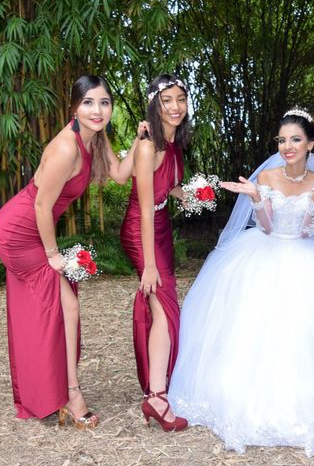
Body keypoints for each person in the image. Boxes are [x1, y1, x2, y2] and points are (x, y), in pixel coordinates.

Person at [168, 108, 314, 457]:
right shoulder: (266, 176)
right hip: (266, 251)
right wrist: (255, 197)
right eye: (282, 140)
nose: (287, 146)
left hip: (310, 255)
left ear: (310, 143)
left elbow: (309, 231)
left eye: (295, 140)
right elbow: (264, 226)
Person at [0, 75, 136, 427]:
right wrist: (54, 254)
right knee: (65, 305)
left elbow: (119, 175)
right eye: (88, 102)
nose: (97, 110)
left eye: (104, 102)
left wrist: (142, 141)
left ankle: (52, 390)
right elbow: (42, 206)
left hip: (34, 230)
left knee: (51, 310)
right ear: (74, 106)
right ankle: (70, 395)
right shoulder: (67, 147)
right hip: (19, 232)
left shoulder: (96, 140)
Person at [120, 74, 189, 432]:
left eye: (181, 99)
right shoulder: (149, 147)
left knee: (164, 305)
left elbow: (169, 187)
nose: (175, 107)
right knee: (164, 307)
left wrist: (193, 195)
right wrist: (148, 265)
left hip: (160, 228)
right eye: (167, 100)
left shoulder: (173, 143)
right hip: (140, 230)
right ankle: (157, 398)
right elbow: (144, 207)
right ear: (155, 104)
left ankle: (157, 386)